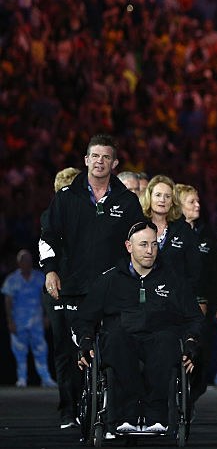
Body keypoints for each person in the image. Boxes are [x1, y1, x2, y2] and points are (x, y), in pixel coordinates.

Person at [38, 134, 144, 429]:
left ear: (115, 163)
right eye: (95, 156)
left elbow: (138, 240)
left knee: (117, 348)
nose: (100, 161)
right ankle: (69, 411)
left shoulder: (127, 200)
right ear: (86, 160)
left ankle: (114, 412)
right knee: (69, 352)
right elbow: (47, 237)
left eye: (106, 157)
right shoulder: (66, 197)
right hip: (72, 287)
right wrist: (49, 270)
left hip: (113, 289)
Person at [74, 220, 203, 434]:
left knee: (166, 342)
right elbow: (84, 318)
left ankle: (157, 416)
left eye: (154, 245)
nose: (150, 251)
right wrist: (86, 340)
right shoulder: (110, 280)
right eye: (143, 244)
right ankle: (126, 414)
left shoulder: (173, 280)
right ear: (129, 246)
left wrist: (190, 343)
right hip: (122, 336)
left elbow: (194, 318)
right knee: (116, 340)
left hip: (160, 335)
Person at [175, 183, 217, 398]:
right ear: (179, 205)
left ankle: (191, 397)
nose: (198, 205)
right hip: (176, 305)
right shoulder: (170, 232)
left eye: (198, 201)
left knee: (202, 356)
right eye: (192, 202)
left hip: (204, 306)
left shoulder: (206, 233)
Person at [141, 175, 203, 309]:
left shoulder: (183, 230)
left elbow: (195, 270)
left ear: (173, 201)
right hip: (140, 303)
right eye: (158, 195)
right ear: (149, 197)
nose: (162, 200)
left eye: (167, 196)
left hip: (175, 306)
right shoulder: (137, 226)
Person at [4, 250, 58, 387]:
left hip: (36, 321)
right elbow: (8, 301)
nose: (26, 263)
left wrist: (47, 316)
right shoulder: (12, 279)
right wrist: (10, 320)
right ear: (19, 263)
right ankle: (21, 378)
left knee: (41, 349)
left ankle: (45, 378)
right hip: (19, 321)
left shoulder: (40, 277)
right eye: (23, 260)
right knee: (19, 351)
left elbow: (45, 299)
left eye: (28, 260)